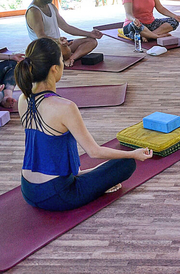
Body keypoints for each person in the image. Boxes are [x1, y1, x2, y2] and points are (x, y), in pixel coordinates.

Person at [16, 38, 153, 211]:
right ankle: (96, 180)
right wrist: (134, 154)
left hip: (28, 190)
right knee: (127, 163)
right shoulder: (65, 107)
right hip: (58, 195)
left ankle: (90, 175)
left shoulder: (23, 99)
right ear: (54, 69)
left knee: (98, 167)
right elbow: (94, 152)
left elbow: (45, 150)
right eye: (61, 61)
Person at [26, 0, 103, 67]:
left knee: (92, 41)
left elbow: (66, 27)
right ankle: (65, 56)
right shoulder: (33, 11)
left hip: (58, 45)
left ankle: (70, 59)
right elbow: (41, 36)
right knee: (66, 50)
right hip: (44, 50)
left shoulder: (51, 6)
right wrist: (58, 41)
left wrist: (90, 34)